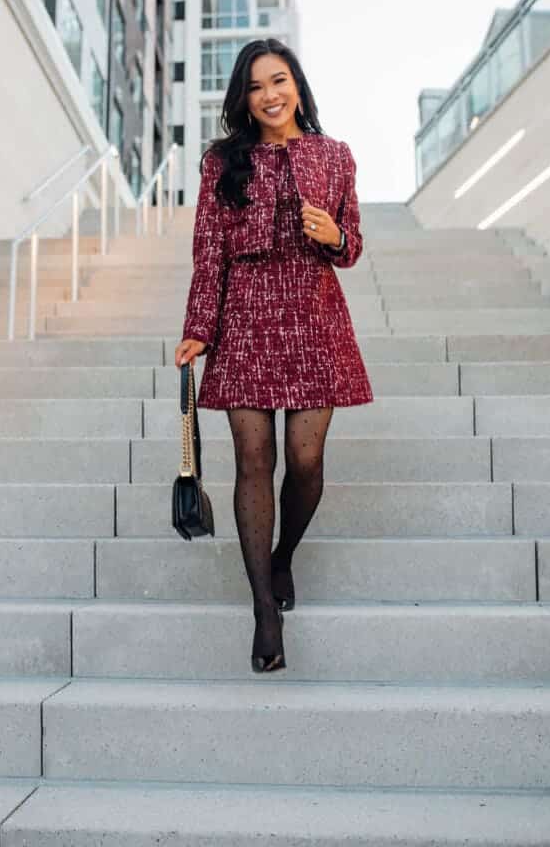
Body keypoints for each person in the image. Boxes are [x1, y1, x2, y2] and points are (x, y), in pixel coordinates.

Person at [174, 38, 374, 674]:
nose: (270, 95)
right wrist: (199, 326)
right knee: (252, 460)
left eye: (279, 81)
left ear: (297, 86)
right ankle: (264, 607)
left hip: (314, 312)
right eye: (257, 86)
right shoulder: (221, 163)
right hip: (246, 317)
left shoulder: (335, 155)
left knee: (306, 458)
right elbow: (209, 251)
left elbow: (352, 246)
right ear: (243, 97)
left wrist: (335, 235)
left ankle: (283, 552)